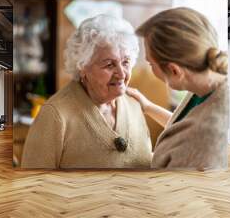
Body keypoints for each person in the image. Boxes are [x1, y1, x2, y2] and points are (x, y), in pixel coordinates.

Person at [21, 14, 152, 169]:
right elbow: (34, 185)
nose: (122, 74)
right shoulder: (55, 115)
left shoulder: (134, 105)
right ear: (82, 67)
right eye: (109, 65)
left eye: (126, 62)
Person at [127, 7, 229, 170]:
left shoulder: (205, 137)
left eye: (151, 64)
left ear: (174, 70)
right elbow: (183, 128)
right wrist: (147, 106)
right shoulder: (204, 87)